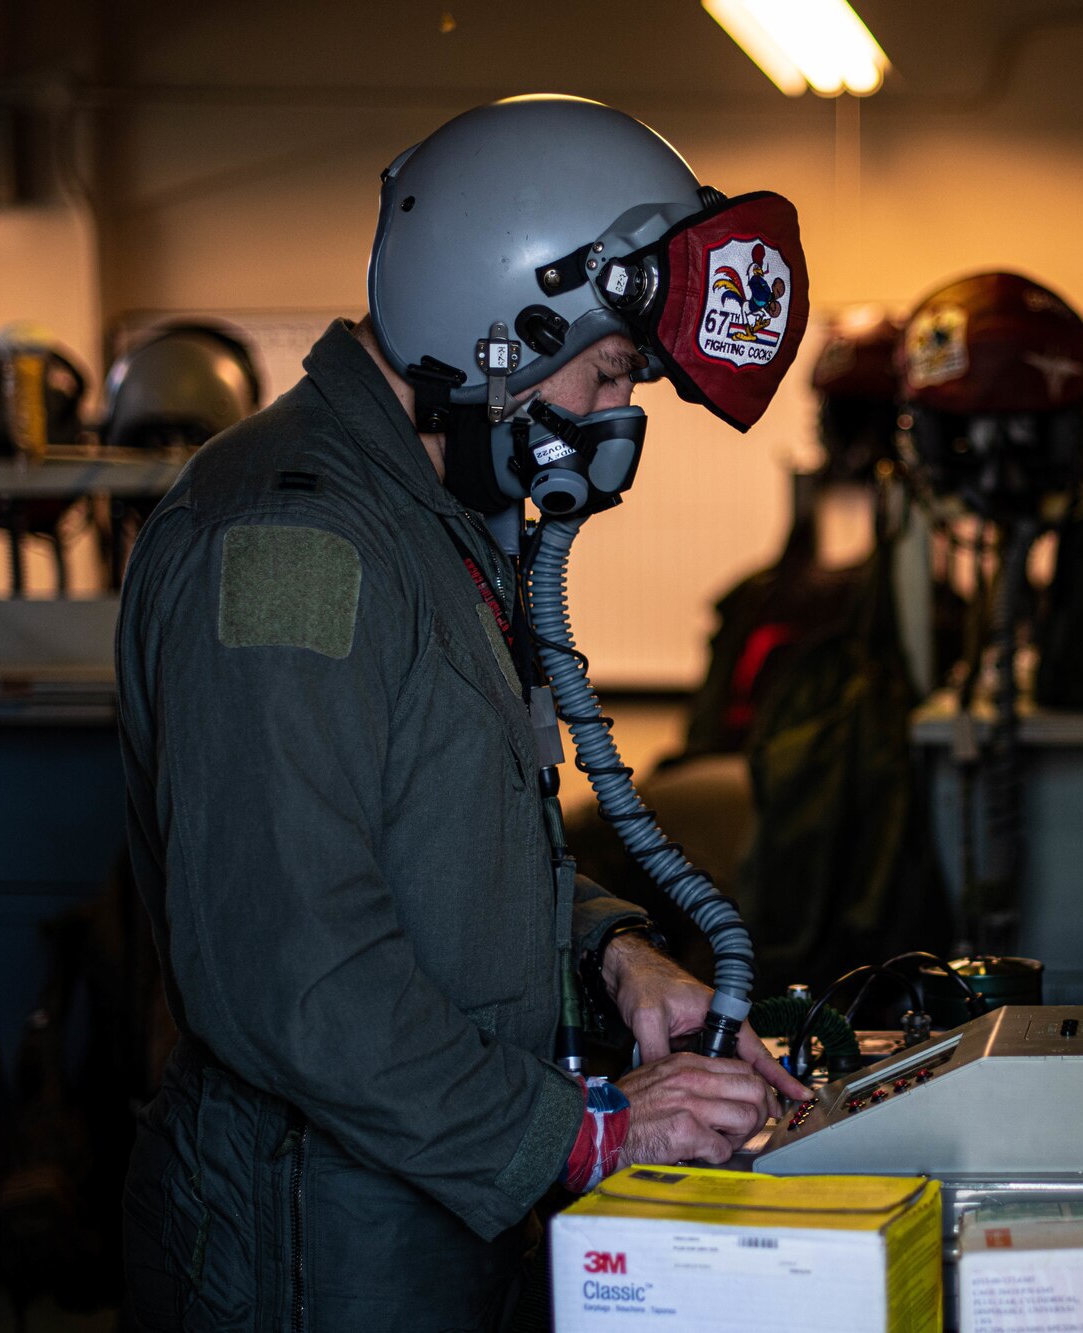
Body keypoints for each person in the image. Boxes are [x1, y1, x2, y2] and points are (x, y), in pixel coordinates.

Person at [115, 95, 810, 1332]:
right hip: (318, 1242)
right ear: (494, 319)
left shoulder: (426, 526)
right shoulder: (298, 544)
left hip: (421, 1198)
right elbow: (293, 970)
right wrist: (587, 1131)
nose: (608, 428)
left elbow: (445, 837)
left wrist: (618, 953)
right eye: (607, 374)